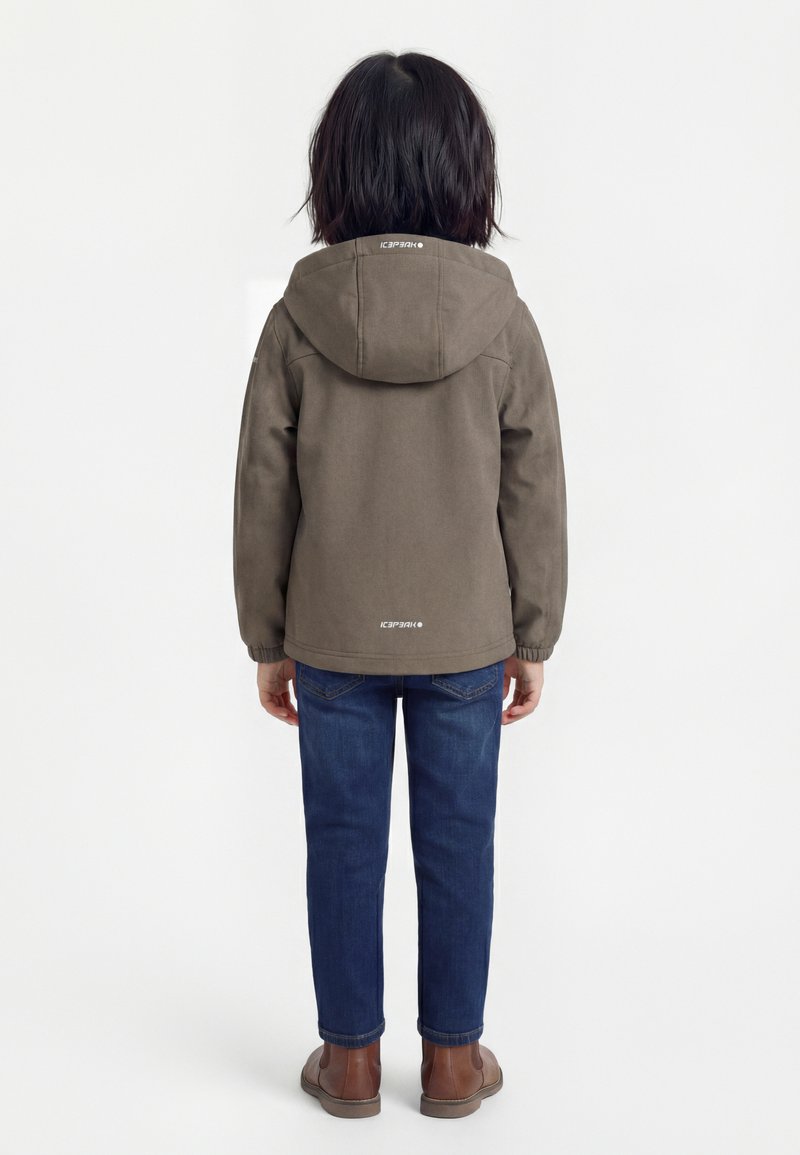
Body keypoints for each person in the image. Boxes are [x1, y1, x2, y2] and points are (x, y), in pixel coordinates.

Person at [233, 50, 568, 1119]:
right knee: (457, 844)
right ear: (467, 170)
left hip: (332, 634)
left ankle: (350, 1063)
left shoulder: (297, 318)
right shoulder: (501, 318)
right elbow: (534, 486)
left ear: (336, 168)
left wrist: (266, 638)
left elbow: (264, 489)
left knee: (342, 845)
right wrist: (533, 634)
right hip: (466, 635)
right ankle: (455, 1063)